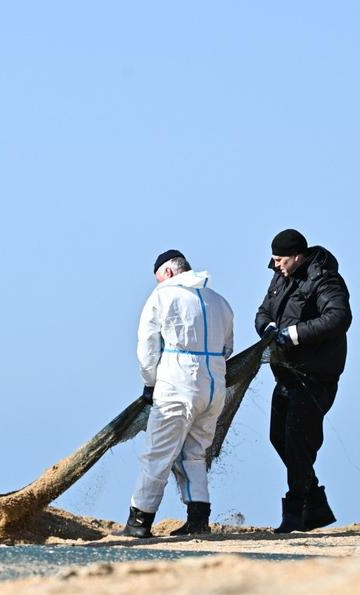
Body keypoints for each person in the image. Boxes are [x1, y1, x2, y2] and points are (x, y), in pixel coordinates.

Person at [120, 250, 234, 538]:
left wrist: (150, 382)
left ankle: (139, 522)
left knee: (157, 454)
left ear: (168, 273)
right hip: (214, 390)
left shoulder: (162, 296)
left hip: (177, 387)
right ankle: (198, 520)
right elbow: (228, 349)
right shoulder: (220, 302)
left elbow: (147, 348)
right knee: (194, 454)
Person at [255, 229, 351, 533]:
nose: (276, 266)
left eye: (280, 260)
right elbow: (262, 313)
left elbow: (339, 317)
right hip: (286, 374)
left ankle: (296, 511)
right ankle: (316, 504)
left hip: (316, 375)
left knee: (298, 440)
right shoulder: (280, 276)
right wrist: (269, 328)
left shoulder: (324, 279)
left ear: (298, 255)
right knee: (278, 437)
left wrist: (294, 335)